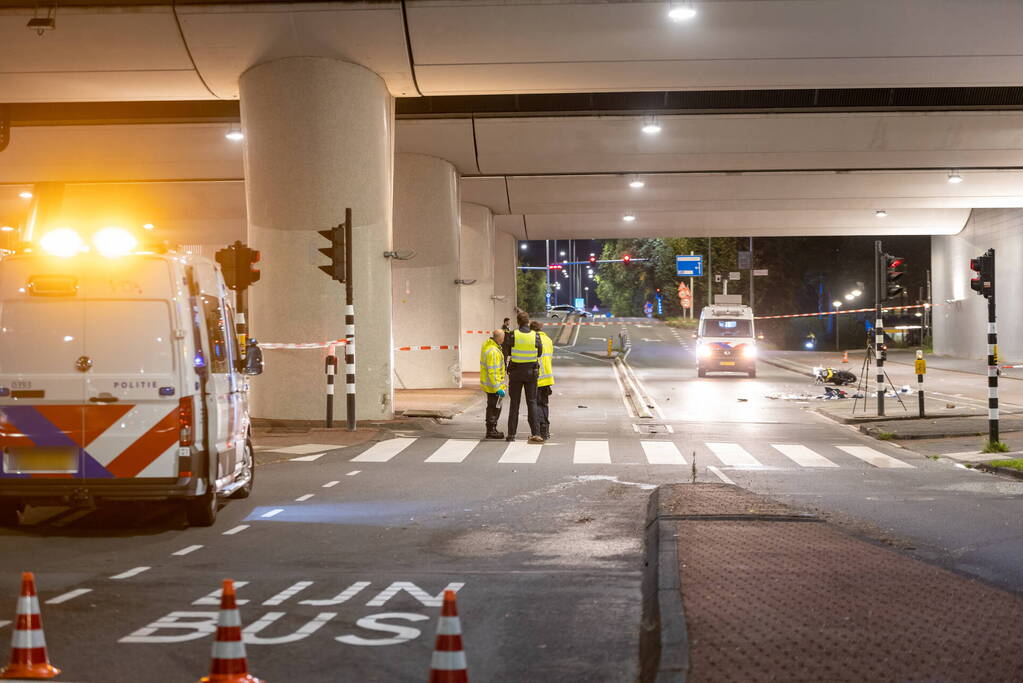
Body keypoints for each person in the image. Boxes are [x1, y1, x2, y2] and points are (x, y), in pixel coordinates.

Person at [501, 311, 544, 444]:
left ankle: (511, 434)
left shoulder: (513, 334)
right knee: (532, 402)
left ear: (518, 322)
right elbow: (540, 352)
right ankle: (536, 433)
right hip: (531, 373)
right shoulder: (535, 335)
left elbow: (505, 351)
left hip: (515, 373)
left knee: (514, 404)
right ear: (528, 322)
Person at [479, 330, 507, 439]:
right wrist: (498, 388)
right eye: (503, 337)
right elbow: (493, 372)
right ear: (500, 338)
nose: (504, 340)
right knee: (494, 408)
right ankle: (491, 430)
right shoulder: (493, 352)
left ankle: (492, 429)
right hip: (493, 386)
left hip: (490, 385)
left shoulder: (488, 346)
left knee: (493, 406)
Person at [530, 320, 554, 440]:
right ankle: (546, 429)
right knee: (544, 404)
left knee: (537, 405)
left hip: (537, 378)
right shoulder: (548, 340)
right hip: (547, 378)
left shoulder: (533, 340)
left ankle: (541, 430)